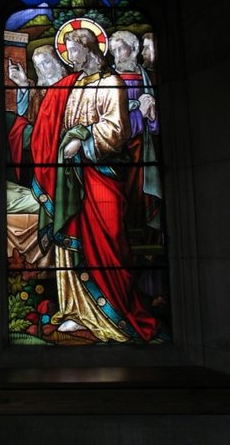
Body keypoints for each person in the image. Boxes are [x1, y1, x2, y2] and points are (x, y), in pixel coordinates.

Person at [30, 26, 159, 342]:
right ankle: (76, 309)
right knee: (72, 238)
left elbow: (117, 130)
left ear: (88, 49)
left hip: (101, 173)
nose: (68, 57)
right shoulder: (71, 86)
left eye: (72, 50)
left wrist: (82, 137)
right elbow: (52, 123)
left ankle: (112, 312)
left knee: (109, 239)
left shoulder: (110, 82)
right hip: (70, 176)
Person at [109, 30, 162, 238]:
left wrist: (151, 114)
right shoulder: (109, 79)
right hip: (116, 145)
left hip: (142, 145)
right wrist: (136, 108)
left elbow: (156, 126)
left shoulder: (147, 78)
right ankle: (122, 231)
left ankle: (144, 231)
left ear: (134, 49)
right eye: (113, 51)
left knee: (140, 186)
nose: (117, 55)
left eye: (120, 49)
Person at [6, 45, 68, 185]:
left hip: (63, 141)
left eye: (46, 62)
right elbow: (24, 115)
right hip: (41, 144)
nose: (44, 68)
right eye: (39, 65)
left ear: (57, 61)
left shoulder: (72, 86)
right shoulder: (38, 92)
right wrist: (22, 85)